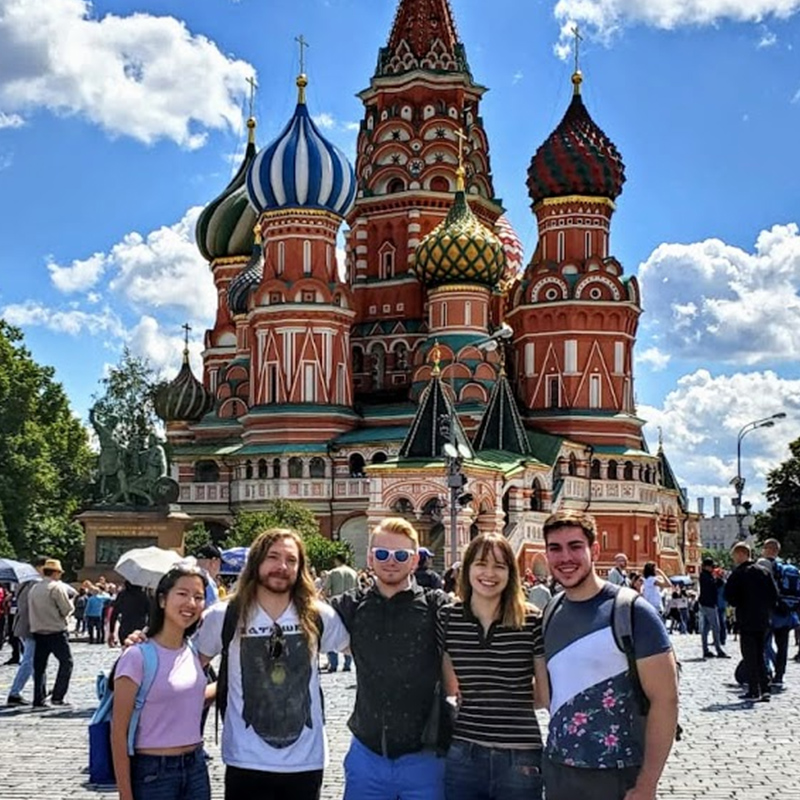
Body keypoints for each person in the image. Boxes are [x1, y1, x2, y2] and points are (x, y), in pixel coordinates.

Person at [195, 528, 350, 800]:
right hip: (245, 760)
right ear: (256, 562)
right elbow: (190, 667)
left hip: (305, 761)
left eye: (291, 560)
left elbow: (367, 655)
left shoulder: (318, 615)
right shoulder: (224, 615)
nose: (282, 566)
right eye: (273, 557)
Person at [540, 511, 678, 800]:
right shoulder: (551, 611)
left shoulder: (631, 611)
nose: (565, 557)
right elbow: (548, 694)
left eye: (575, 546)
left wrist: (647, 783)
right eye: (555, 548)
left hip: (617, 775)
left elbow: (665, 700)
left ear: (596, 550)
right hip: (559, 771)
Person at [330, 517, 451, 800]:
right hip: (367, 755)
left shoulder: (437, 606)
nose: (391, 561)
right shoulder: (351, 605)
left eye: (401, 555)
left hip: (425, 757)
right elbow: (302, 613)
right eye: (382, 554)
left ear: (414, 561)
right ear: (370, 558)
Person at [442, 532, 547, 800]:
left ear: (511, 573)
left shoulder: (531, 620)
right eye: (481, 564)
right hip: (465, 752)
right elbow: (449, 687)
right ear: (467, 569)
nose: (489, 573)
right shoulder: (448, 617)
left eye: (499, 566)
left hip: (520, 757)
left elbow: (545, 696)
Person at [112, 565, 210, 800]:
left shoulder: (193, 651)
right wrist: (125, 794)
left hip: (196, 768)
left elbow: (189, 698)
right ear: (163, 600)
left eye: (198, 597)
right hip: (154, 773)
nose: (191, 603)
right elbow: (118, 733)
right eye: (182, 594)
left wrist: (235, 684)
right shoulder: (137, 656)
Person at [725, 542, 778, 701]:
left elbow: (730, 597)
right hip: (763, 620)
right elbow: (774, 595)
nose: (734, 559)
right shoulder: (764, 572)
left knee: (749, 655)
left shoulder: (738, 573)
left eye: (735, 556)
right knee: (761, 654)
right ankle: (766, 688)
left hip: (746, 619)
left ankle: (754, 690)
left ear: (741, 555)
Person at [29, 558, 74, 708]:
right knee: (66, 662)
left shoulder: (34, 588)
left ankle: (38, 698)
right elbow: (66, 609)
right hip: (55, 630)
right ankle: (57, 696)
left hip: (38, 631)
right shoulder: (56, 587)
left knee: (40, 666)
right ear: (55, 573)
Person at [6, 558, 46, 705]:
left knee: (36, 661)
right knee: (29, 661)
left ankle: (40, 690)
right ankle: (15, 693)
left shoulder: (24, 583)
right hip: (31, 625)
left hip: (25, 623)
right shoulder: (34, 583)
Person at [758, 538, 797, 686]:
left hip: (769, 611)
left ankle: (767, 671)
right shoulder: (787, 569)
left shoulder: (764, 566)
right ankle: (779, 675)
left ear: (766, 549)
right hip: (786, 612)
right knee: (783, 646)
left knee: (764, 644)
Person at [322, 553, 357, 672]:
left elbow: (326, 590)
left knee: (332, 633)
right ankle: (347, 664)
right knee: (349, 634)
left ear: (337, 560)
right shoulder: (353, 573)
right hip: (351, 605)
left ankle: (333, 664)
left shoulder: (333, 572)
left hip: (335, 605)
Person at [698, 557, 729, 659]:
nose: (713, 568)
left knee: (706, 628)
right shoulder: (705, 576)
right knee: (716, 627)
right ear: (707, 566)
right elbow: (712, 586)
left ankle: (706, 650)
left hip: (706, 603)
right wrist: (719, 580)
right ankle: (718, 650)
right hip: (709, 604)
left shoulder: (705, 575)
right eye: (711, 566)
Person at [109, 581, 151, 647]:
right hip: (140, 628)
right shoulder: (143, 596)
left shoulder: (122, 595)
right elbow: (151, 614)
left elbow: (114, 613)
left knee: (126, 651)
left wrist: (111, 631)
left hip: (125, 628)